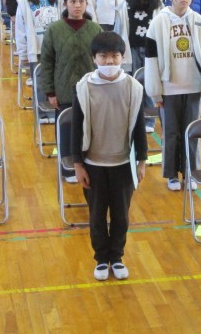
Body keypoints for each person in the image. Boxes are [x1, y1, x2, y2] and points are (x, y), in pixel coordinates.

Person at [72, 32, 148, 281]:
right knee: (96, 216)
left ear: (123, 57)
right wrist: (78, 164)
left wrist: (142, 161)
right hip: (93, 165)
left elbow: (139, 127)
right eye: (103, 56)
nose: (109, 61)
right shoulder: (83, 88)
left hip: (123, 164)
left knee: (121, 216)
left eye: (114, 56)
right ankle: (101, 259)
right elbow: (76, 128)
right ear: (94, 58)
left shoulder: (133, 88)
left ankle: (117, 257)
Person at [145, 0, 201, 191]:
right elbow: (151, 60)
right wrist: (155, 91)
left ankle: (190, 172)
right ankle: (172, 175)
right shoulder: (158, 22)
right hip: (169, 89)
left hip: (193, 87)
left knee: (192, 132)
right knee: (171, 133)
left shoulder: (199, 21)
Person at [39, 0, 103, 116]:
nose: (77, 5)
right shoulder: (54, 30)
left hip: (91, 93)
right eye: (73, 1)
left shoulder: (96, 30)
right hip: (63, 94)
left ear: (86, 4)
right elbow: (46, 63)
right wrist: (50, 93)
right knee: (65, 128)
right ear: (65, 4)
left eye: (81, 1)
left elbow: (103, 61)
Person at [15, 0, 64, 122]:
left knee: (58, 79)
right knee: (41, 82)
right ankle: (42, 113)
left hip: (57, 47)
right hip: (36, 48)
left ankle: (57, 112)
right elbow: (20, 28)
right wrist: (22, 52)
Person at [123, 0, 164, 132]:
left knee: (150, 83)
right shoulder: (126, 4)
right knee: (134, 83)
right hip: (132, 48)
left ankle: (149, 120)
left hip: (151, 50)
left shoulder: (158, 4)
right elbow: (122, 28)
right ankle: (134, 118)